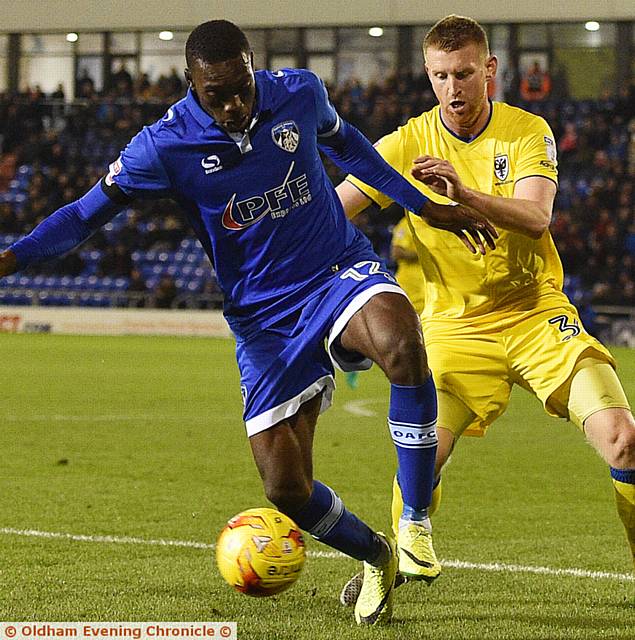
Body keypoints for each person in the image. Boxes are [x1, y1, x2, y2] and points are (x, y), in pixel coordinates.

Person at [0, 20, 496, 625]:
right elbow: (83, 217)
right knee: (285, 488)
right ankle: (376, 555)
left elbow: (352, 150)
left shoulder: (298, 93)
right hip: (263, 320)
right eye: (217, 95)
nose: (235, 104)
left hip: (336, 269)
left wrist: (429, 209)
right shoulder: (163, 147)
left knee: (401, 341)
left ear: (253, 66)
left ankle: (415, 523)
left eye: (242, 87)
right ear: (191, 84)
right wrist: (12, 257)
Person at [337, 14, 635, 603]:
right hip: (454, 328)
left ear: (490, 70)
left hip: (535, 315)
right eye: (442, 76)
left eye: (466, 73)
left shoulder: (528, 130)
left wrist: (463, 195)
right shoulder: (403, 144)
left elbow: (536, 217)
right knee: (423, 449)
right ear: (428, 76)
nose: (455, 88)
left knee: (624, 438)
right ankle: (389, 563)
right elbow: (334, 212)